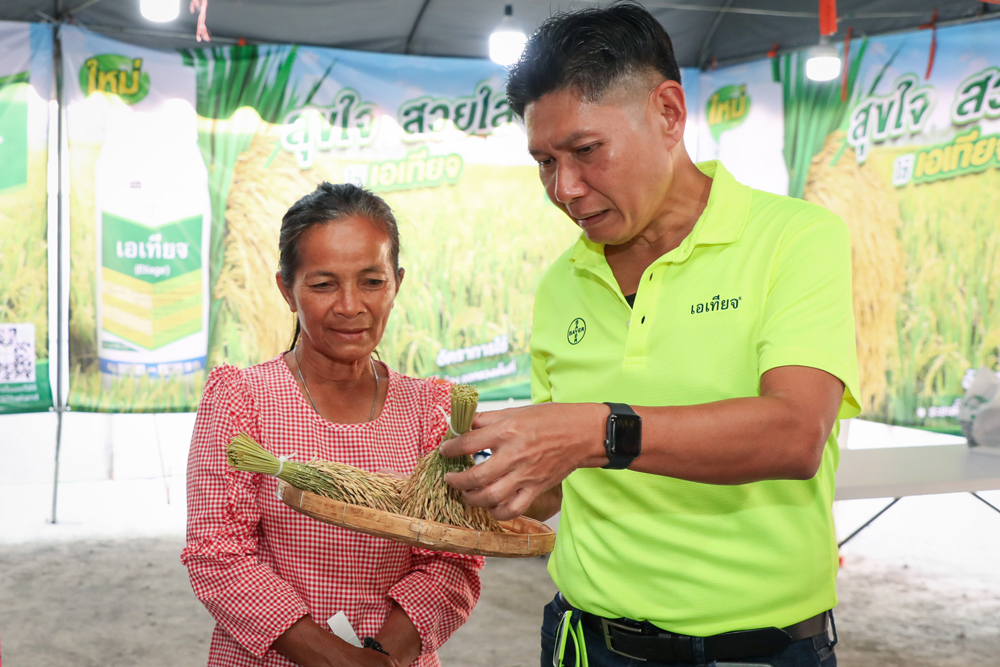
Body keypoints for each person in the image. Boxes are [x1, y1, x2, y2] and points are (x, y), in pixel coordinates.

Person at [439, 4, 860, 667]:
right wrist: (475, 484)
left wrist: (597, 430)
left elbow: (795, 433)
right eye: (544, 161)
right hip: (586, 641)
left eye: (585, 150)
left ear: (668, 112)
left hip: (755, 651)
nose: (566, 188)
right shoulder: (562, 284)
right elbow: (556, 482)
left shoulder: (795, 240)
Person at [182, 182, 483, 667]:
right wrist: (339, 661)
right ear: (287, 289)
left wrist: (381, 656)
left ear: (397, 283)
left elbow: (453, 556)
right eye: (323, 285)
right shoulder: (243, 400)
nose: (349, 305)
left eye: (372, 281)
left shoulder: (433, 411)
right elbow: (219, 553)